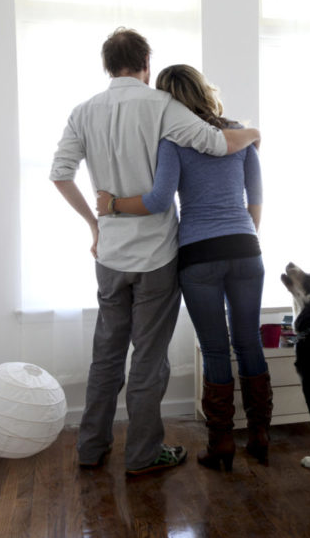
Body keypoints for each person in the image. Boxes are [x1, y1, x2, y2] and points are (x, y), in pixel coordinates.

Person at [50, 28, 261, 476]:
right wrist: (253, 133)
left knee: (106, 354)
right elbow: (217, 143)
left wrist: (95, 222)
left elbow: (60, 173)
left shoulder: (83, 112)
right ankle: (143, 455)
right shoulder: (163, 106)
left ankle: (91, 447)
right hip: (158, 258)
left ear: (107, 65)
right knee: (148, 359)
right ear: (147, 63)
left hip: (110, 255)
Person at [96, 64, 273, 472]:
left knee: (215, 348)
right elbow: (256, 199)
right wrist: (243, 238)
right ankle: (260, 435)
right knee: (249, 341)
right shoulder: (239, 136)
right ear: (204, 90)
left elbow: (159, 200)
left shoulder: (173, 140)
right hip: (246, 248)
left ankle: (221, 443)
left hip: (198, 255)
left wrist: (113, 204)